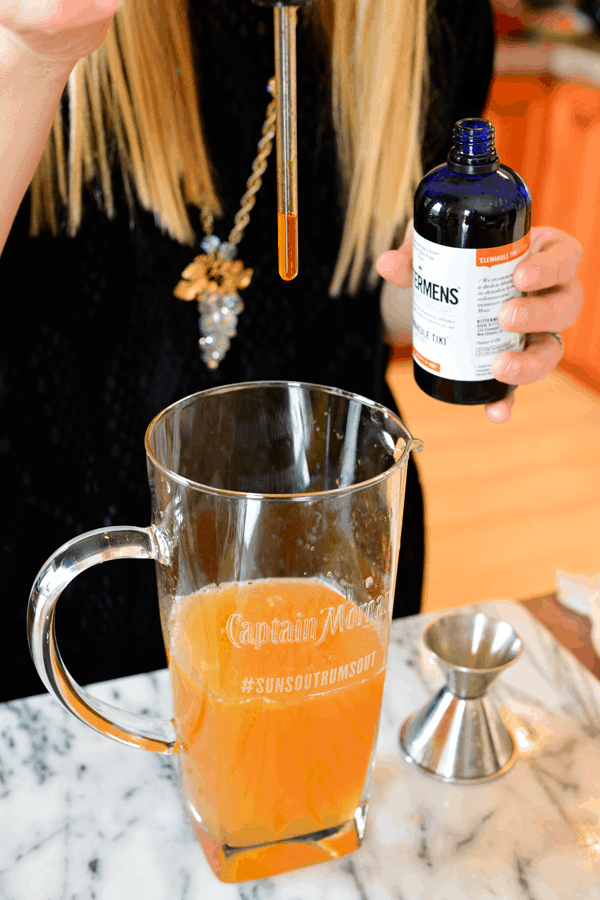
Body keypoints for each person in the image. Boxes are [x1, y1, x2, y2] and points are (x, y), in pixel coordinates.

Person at [0, 0, 582, 703]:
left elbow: (372, 295)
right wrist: (27, 57)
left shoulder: (430, 18)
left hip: (331, 551)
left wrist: (484, 300)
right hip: (66, 557)